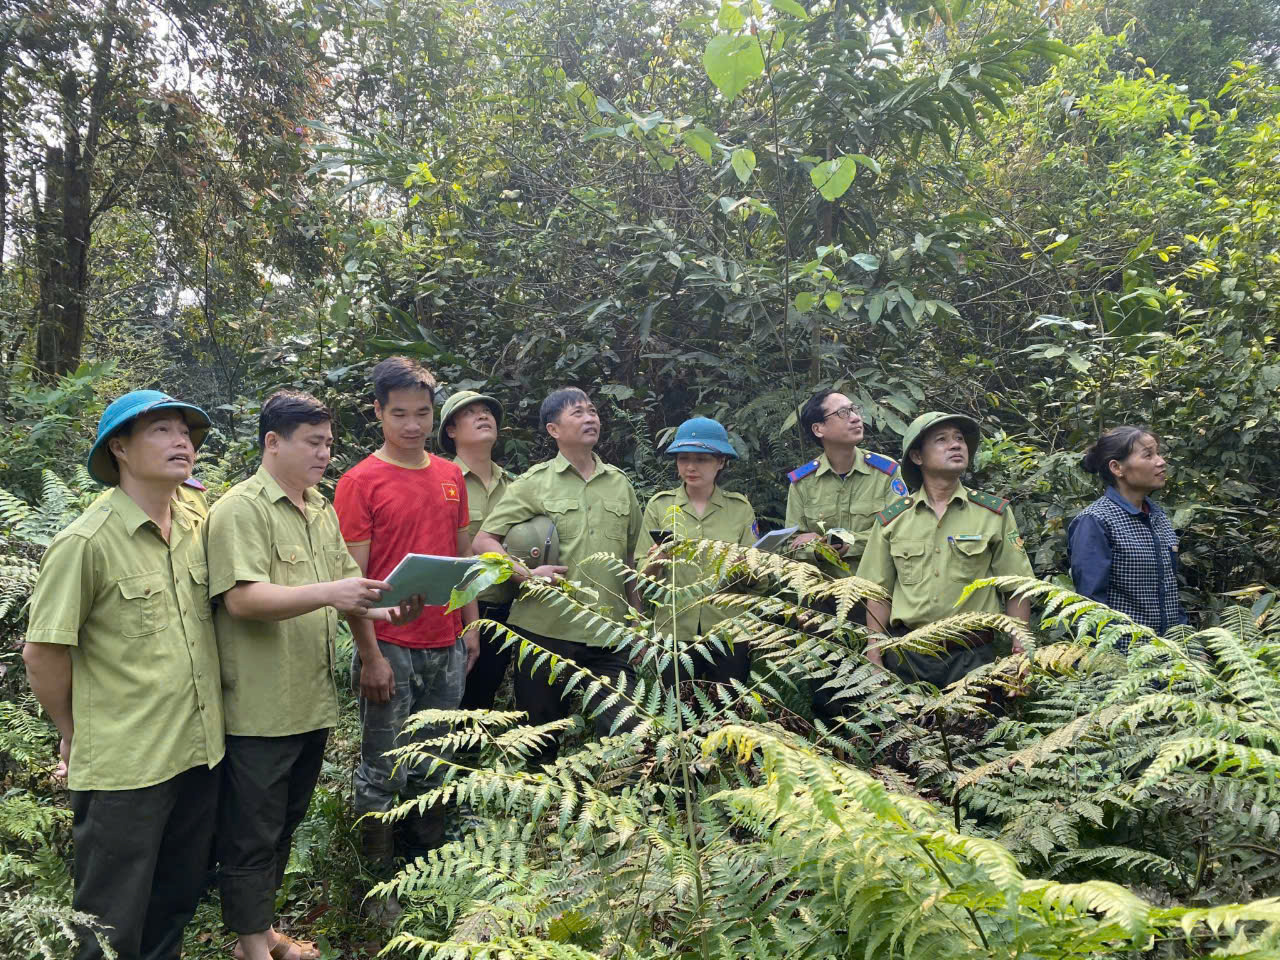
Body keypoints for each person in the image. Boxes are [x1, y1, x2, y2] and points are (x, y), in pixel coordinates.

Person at [207, 391, 419, 960]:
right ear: (273, 442)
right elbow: (243, 600)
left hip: (309, 697)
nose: (325, 453)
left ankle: (264, 929)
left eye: (328, 443)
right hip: (258, 703)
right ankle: (252, 945)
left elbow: (345, 584)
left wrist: (379, 608)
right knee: (252, 829)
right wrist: (333, 592)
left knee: (282, 825)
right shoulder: (240, 510)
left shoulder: (318, 508)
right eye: (313, 442)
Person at [23, 390, 224, 960]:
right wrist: (70, 728)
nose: (181, 441)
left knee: (174, 903)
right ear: (120, 448)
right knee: (109, 923)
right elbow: (42, 653)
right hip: (125, 766)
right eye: (161, 430)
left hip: (197, 751)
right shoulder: (86, 542)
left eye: (186, 432)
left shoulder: (195, 525)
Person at [333, 358, 480, 869]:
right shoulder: (359, 481)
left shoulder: (449, 476)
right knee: (384, 765)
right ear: (378, 412)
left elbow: (462, 560)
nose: (413, 425)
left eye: (422, 413)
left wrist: (471, 625)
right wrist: (369, 655)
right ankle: (378, 876)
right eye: (399, 414)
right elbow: (355, 583)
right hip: (390, 644)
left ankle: (428, 862)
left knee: (437, 758)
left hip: (446, 640)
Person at [472, 388, 643, 767]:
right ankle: (541, 819)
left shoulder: (619, 483)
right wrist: (526, 575)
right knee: (539, 742)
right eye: (577, 413)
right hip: (544, 632)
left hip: (609, 635)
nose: (590, 418)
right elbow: (484, 539)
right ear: (553, 429)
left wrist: (638, 625)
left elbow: (631, 560)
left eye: (593, 411)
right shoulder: (535, 482)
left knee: (626, 735)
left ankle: (615, 818)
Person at [857, 411, 1034, 687]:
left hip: (974, 657)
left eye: (959, 439)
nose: (955, 445)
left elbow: (1018, 588)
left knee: (977, 731)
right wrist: (874, 656)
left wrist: (1021, 652)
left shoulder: (993, 514)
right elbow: (878, 594)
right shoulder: (892, 521)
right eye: (941, 440)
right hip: (907, 658)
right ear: (917, 457)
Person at [635, 417, 757, 686]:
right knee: (676, 711)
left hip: (728, 631)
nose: (690, 467)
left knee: (727, 713)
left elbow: (759, 580)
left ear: (721, 462)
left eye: (701, 459)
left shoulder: (740, 509)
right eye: (683, 458)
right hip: (673, 629)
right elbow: (640, 581)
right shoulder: (660, 507)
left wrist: (743, 565)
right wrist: (656, 561)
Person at [1068, 426, 1188, 648]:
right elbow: (1091, 606)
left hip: (1171, 658)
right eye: (1148, 455)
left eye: (1158, 453)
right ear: (1117, 468)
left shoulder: (1158, 517)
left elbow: (1170, 592)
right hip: (1125, 660)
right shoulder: (1096, 521)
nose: (1161, 462)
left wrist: (1190, 646)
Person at [438, 389, 518, 710]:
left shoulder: (514, 485)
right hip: (455, 613)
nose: (483, 415)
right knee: (447, 707)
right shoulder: (441, 482)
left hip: (505, 612)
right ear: (451, 430)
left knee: (482, 704)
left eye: (487, 411)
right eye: (470, 412)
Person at [785, 389, 908, 574]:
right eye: (843, 413)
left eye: (854, 409)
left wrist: (847, 541)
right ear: (818, 429)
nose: (856, 418)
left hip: (877, 590)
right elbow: (790, 545)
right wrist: (818, 549)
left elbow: (901, 531)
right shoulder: (802, 482)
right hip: (821, 594)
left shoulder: (886, 472)